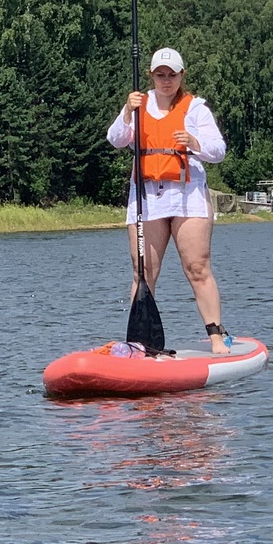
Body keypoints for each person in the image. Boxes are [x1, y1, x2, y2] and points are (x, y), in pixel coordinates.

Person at [105, 47, 233, 352]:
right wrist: (126, 112)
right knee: (143, 273)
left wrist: (195, 142)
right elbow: (116, 139)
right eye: (160, 75)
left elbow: (218, 150)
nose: (166, 81)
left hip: (187, 196)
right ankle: (140, 341)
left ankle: (216, 336)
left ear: (181, 76)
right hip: (148, 198)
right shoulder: (138, 105)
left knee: (197, 267)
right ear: (151, 75)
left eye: (172, 75)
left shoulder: (196, 109)